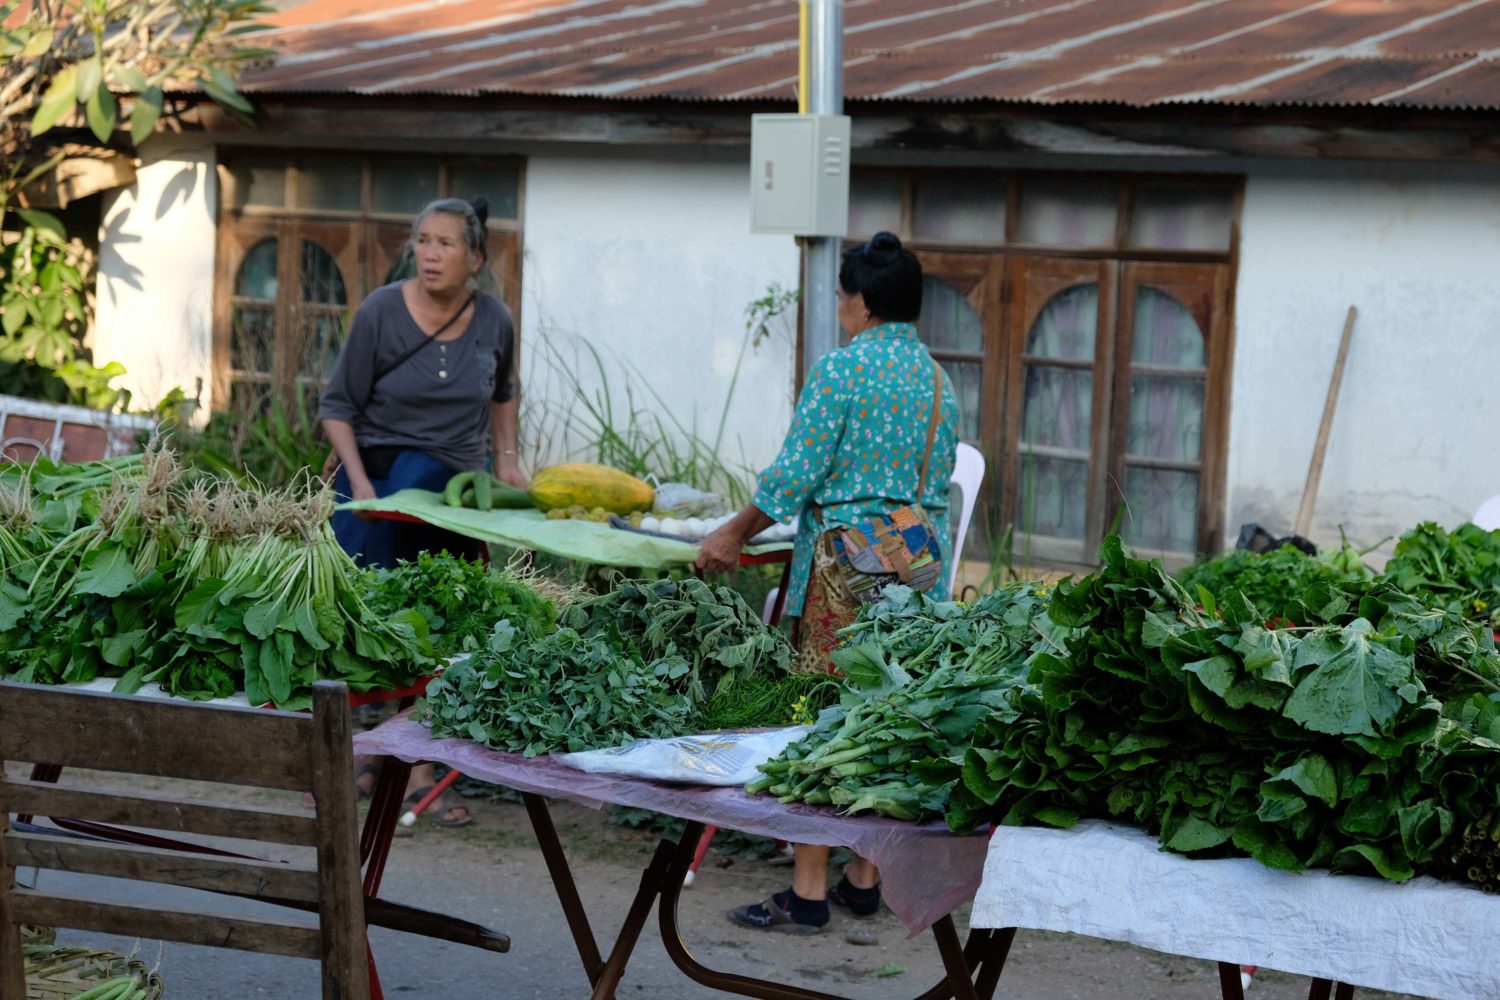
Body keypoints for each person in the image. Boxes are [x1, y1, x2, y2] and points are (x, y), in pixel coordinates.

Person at [696, 231, 959, 932]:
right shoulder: (939, 380)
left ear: (864, 304)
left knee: (821, 716)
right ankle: (864, 877)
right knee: (889, 711)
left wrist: (731, 531)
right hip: (918, 557)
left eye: (844, 296)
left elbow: (795, 476)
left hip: (852, 559)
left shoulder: (843, 372)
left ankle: (807, 891)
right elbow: (934, 486)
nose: (841, 307)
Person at [319, 196, 526, 827]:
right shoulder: (382, 311)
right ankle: (341, 760)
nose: (431, 254)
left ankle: (415, 771)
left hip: (451, 490)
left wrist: (510, 460)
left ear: (476, 258)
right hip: (378, 480)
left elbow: (503, 395)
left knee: (437, 631)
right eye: (423, 241)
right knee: (358, 626)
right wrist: (362, 491)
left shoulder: (495, 319)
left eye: (445, 243)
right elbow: (336, 408)